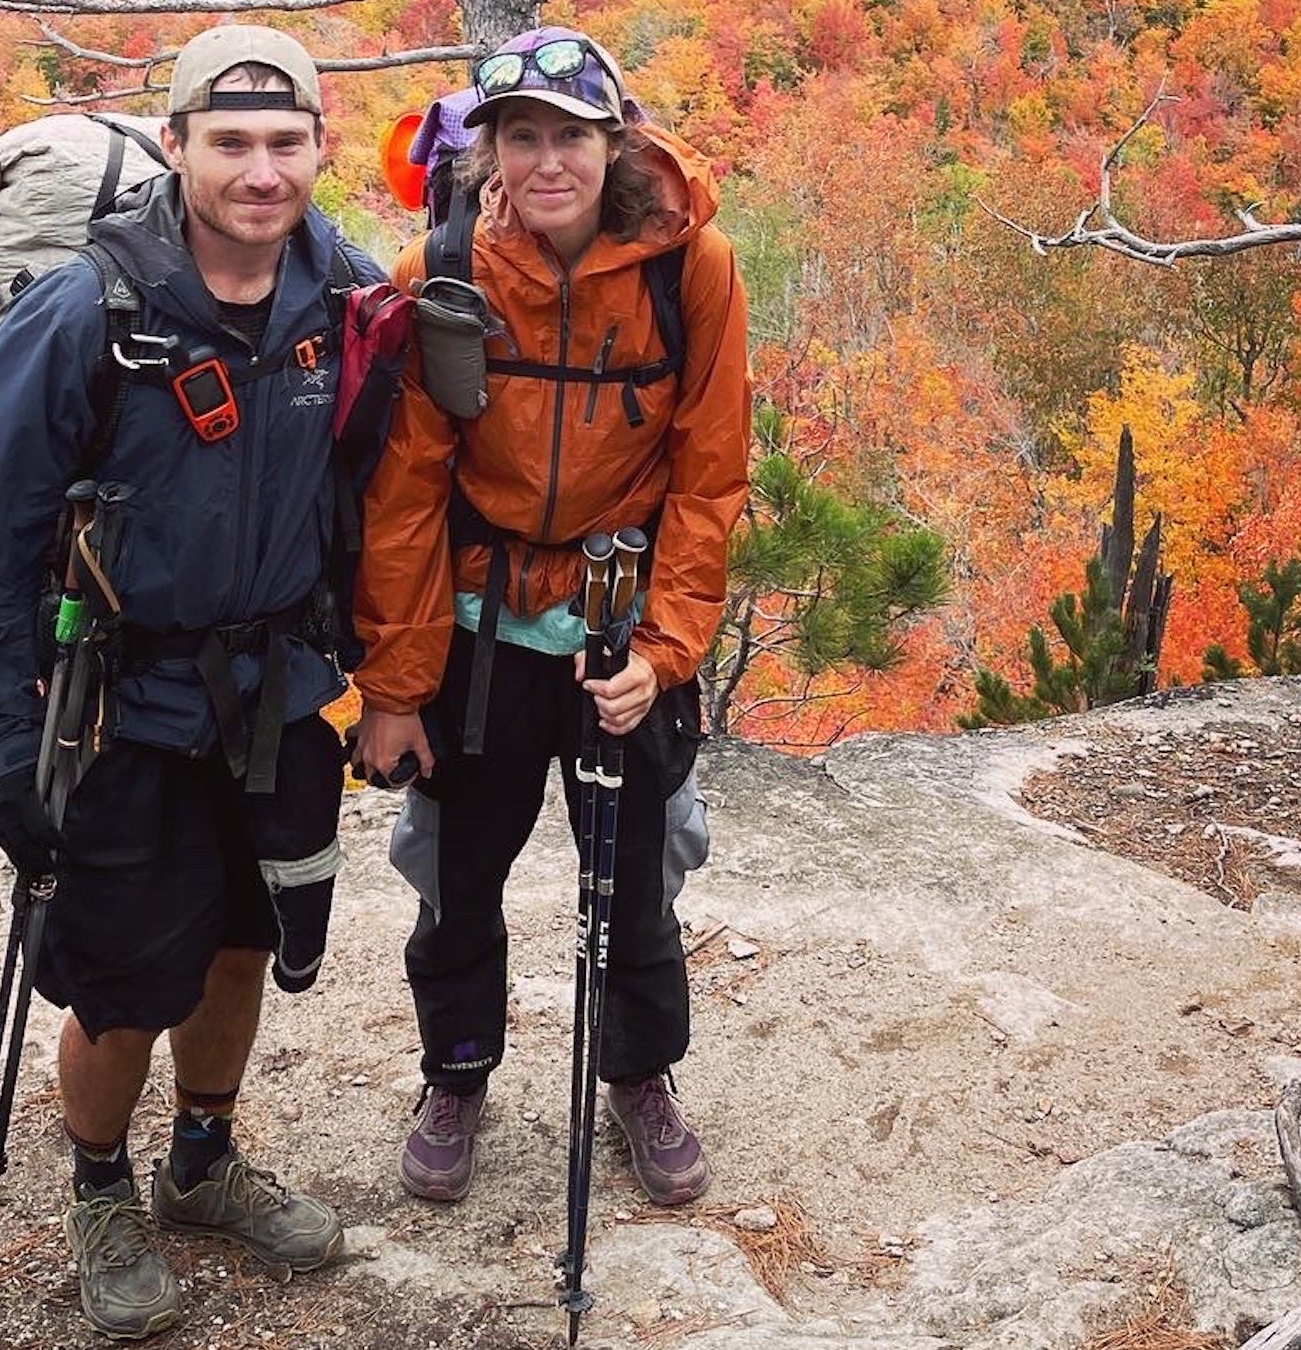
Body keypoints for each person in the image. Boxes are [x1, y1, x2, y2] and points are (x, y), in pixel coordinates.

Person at [0, 25, 382, 1341]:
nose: (259, 168)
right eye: (228, 141)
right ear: (172, 147)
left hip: (279, 689)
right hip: (118, 703)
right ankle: (99, 1189)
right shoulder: (89, 313)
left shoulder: (337, 293)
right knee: (125, 978)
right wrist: (1, 737)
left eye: (284, 141)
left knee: (244, 942)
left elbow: (392, 482)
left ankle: (204, 1157)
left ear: (316, 147)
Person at [348, 27, 751, 1209]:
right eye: (520, 135)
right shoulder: (447, 273)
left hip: (616, 627)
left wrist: (668, 654)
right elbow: (407, 490)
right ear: (490, 152)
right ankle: (458, 1072)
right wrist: (394, 687)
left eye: (568, 133)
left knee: (633, 879)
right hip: (480, 636)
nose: (546, 159)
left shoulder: (691, 268)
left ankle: (639, 1076)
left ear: (609, 140)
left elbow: (708, 471)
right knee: (458, 876)